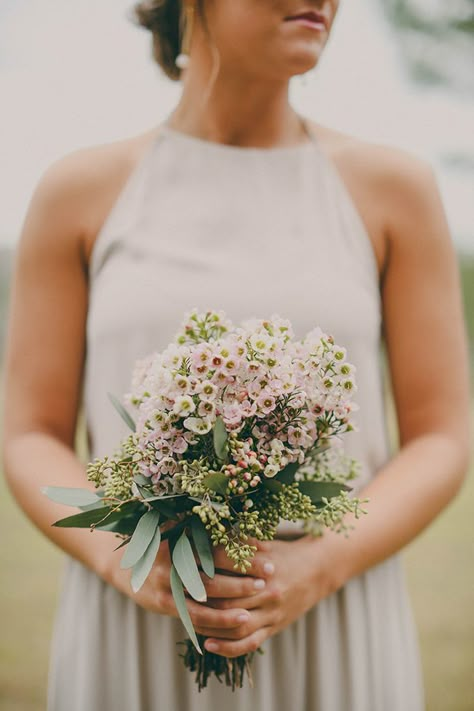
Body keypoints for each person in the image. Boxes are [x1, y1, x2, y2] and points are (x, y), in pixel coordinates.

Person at [2, 1, 471, 709]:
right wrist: (127, 561)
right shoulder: (79, 193)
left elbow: (442, 434)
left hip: (333, 619)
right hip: (135, 619)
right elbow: (29, 431)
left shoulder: (394, 191)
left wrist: (316, 567)